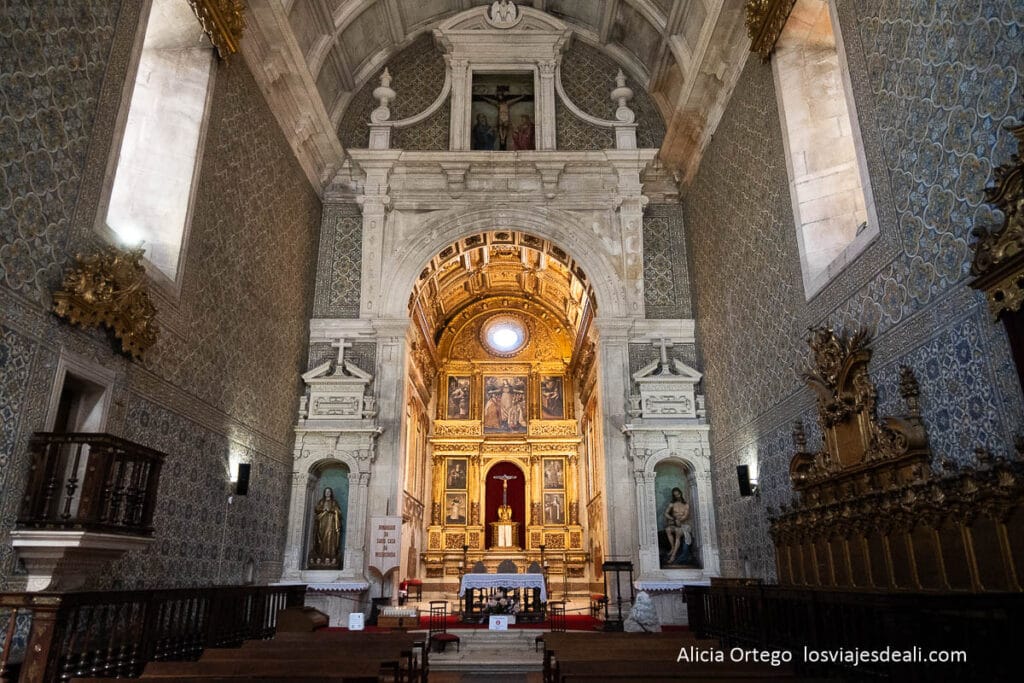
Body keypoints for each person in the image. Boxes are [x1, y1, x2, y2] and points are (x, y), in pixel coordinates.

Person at [310, 487, 342, 567]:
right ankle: (321, 555)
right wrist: (323, 509)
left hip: (331, 522)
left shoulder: (334, 502)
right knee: (320, 538)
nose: (327, 493)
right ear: (324, 493)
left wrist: (331, 509)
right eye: (326, 491)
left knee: (330, 537)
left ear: (331, 493)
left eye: (329, 491)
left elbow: (338, 511)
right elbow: (316, 509)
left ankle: (331, 555)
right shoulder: (321, 501)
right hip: (322, 522)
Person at [663, 487, 692, 565]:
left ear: (680, 493)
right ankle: (672, 547)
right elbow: (666, 513)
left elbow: (686, 515)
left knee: (677, 532)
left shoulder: (686, 504)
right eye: (675, 495)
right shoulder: (672, 504)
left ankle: (673, 556)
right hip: (675, 523)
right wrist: (672, 518)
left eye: (678, 494)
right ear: (674, 496)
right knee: (668, 529)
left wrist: (680, 520)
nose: (677, 496)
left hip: (684, 525)